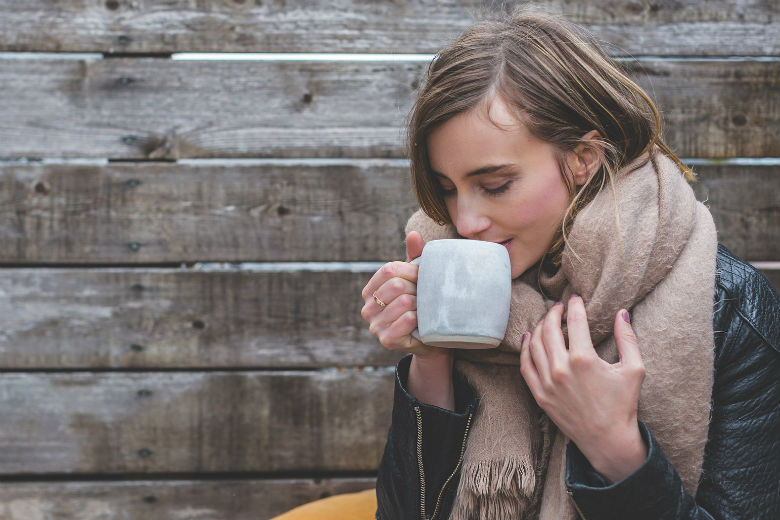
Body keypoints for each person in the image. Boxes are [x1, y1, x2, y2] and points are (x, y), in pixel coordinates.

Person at [360, 10, 779, 520]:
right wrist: (432, 359)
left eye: (495, 185)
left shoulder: (729, 309)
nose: (465, 222)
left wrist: (614, 448)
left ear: (583, 158)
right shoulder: (452, 285)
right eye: (447, 188)